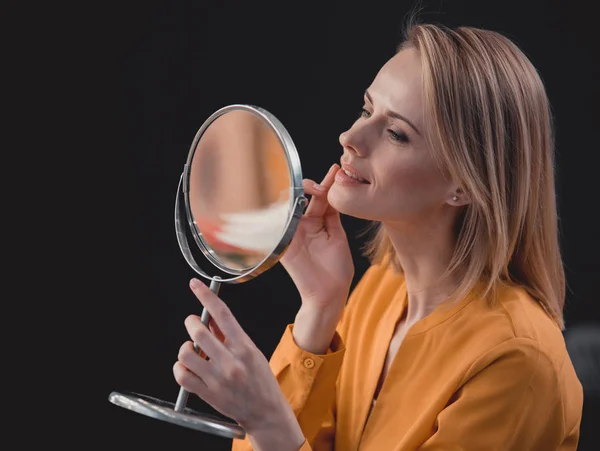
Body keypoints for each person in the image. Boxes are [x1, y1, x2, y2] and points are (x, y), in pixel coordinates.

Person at [172, 19, 584, 451]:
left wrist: (267, 419)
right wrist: (320, 307)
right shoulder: (380, 290)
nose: (350, 137)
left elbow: (279, 440)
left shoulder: (517, 362)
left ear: (463, 184)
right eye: (367, 110)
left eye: (396, 133)